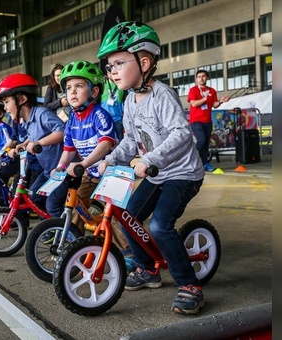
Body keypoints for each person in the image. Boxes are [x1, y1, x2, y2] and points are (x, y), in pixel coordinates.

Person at [97, 21, 206, 315]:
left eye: (118, 63)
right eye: (109, 67)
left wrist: (148, 160)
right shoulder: (130, 99)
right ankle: (148, 269)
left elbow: (183, 134)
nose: (112, 71)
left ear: (144, 62)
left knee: (159, 225)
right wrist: (110, 159)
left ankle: (189, 284)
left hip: (182, 174)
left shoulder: (162, 95)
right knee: (127, 215)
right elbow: (131, 139)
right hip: (156, 173)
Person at [53, 60, 129, 251]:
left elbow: (106, 143)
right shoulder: (71, 120)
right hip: (89, 171)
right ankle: (74, 246)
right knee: (75, 205)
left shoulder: (99, 114)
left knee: (114, 217)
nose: (72, 92)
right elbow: (69, 150)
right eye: (69, 87)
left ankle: (130, 255)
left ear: (94, 92)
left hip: (112, 171)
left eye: (79, 86)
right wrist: (61, 167)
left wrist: (84, 163)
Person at [0, 73, 67, 219]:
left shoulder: (41, 113)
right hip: (48, 171)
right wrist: (24, 144)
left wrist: (39, 143)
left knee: (52, 205)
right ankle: (49, 229)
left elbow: (62, 131)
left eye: (7, 102)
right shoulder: (27, 121)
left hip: (60, 171)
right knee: (33, 196)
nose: (5, 108)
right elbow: (33, 137)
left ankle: (67, 236)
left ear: (22, 99)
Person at [187, 69, 230, 172]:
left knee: (206, 143)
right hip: (196, 120)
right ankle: (194, 161)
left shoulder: (212, 90)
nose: (201, 78)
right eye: (199, 77)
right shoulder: (193, 90)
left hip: (208, 121)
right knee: (201, 140)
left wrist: (221, 101)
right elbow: (193, 104)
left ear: (207, 78)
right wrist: (204, 98)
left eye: (203, 76)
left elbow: (214, 105)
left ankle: (204, 163)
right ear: (196, 79)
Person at [100, 70, 126, 139]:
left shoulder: (122, 85)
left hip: (118, 119)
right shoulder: (102, 85)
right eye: (109, 72)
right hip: (104, 120)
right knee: (106, 141)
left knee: (120, 141)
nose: (112, 74)